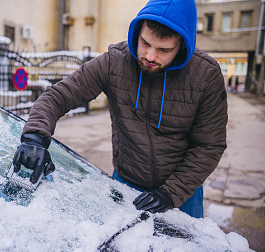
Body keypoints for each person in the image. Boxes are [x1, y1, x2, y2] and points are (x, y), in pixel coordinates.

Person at [12, 0, 228, 218]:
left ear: (183, 45)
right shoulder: (114, 63)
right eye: (145, 43)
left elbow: (209, 145)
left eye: (164, 49)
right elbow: (58, 96)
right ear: (137, 31)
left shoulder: (205, 76)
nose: (151, 56)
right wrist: (35, 137)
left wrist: (170, 194)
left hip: (181, 195)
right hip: (125, 184)